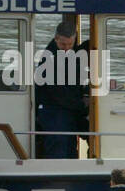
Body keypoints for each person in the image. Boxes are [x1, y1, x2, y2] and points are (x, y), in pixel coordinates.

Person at [35, 20, 90, 159]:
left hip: (65, 112)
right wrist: (83, 105)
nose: (66, 48)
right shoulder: (49, 60)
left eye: (70, 44)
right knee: (59, 151)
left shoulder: (69, 52)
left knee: (70, 148)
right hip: (53, 113)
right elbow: (60, 94)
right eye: (62, 44)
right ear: (56, 39)